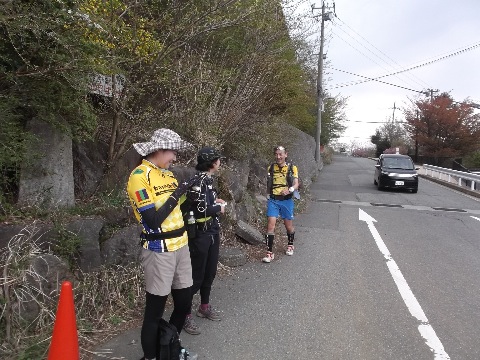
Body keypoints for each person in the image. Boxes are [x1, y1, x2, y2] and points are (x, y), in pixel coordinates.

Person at [126, 128, 198, 360]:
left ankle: (170, 347)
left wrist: (191, 194)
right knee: (155, 311)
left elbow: (177, 206)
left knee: (185, 301)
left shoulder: (168, 174)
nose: (175, 158)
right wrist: (178, 193)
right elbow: (153, 220)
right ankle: (151, 357)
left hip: (182, 246)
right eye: (173, 152)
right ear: (159, 149)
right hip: (159, 250)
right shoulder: (139, 175)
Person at [182, 147, 226, 335]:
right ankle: (184, 315)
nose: (220, 162)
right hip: (200, 234)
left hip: (212, 231)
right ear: (212, 162)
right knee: (197, 276)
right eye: (218, 159)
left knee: (210, 272)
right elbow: (201, 210)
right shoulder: (198, 181)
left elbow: (204, 203)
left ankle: (204, 306)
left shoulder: (207, 180)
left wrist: (216, 202)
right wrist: (219, 208)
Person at [262, 145, 299, 263]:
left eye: (280, 154)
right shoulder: (271, 167)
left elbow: (296, 183)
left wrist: (290, 190)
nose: (278, 157)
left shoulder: (292, 168)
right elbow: (269, 183)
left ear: (285, 154)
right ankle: (269, 253)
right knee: (270, 226)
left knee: (288, 226)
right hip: (273, 200)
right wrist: (268, 195)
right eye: (276, 154)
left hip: (286, 201)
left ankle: (290, 244)